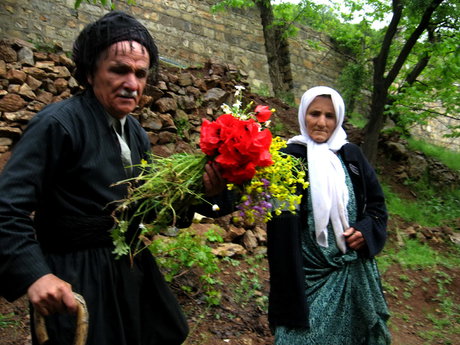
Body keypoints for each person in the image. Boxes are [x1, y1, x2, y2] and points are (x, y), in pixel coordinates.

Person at [0, 11, 225, 345]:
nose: (131, 84)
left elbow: (147, 210)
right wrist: (37, 275)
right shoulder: (58, 125)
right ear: (91, 72)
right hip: (76, 275)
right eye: (119, 70)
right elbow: (7, 208)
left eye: (140, 74)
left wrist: (204, 193)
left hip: (127, 268)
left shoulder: (135, 133)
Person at [266, 86, 391, 344]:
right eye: (314, 114)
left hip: (351, 270)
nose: (322, 122)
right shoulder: (288, 158)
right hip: (305, 277)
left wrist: (366, 231)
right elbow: (279, 224)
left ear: (339, 119)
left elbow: (376, 206)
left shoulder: (352, 156)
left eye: (330, 116)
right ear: (303, 116)